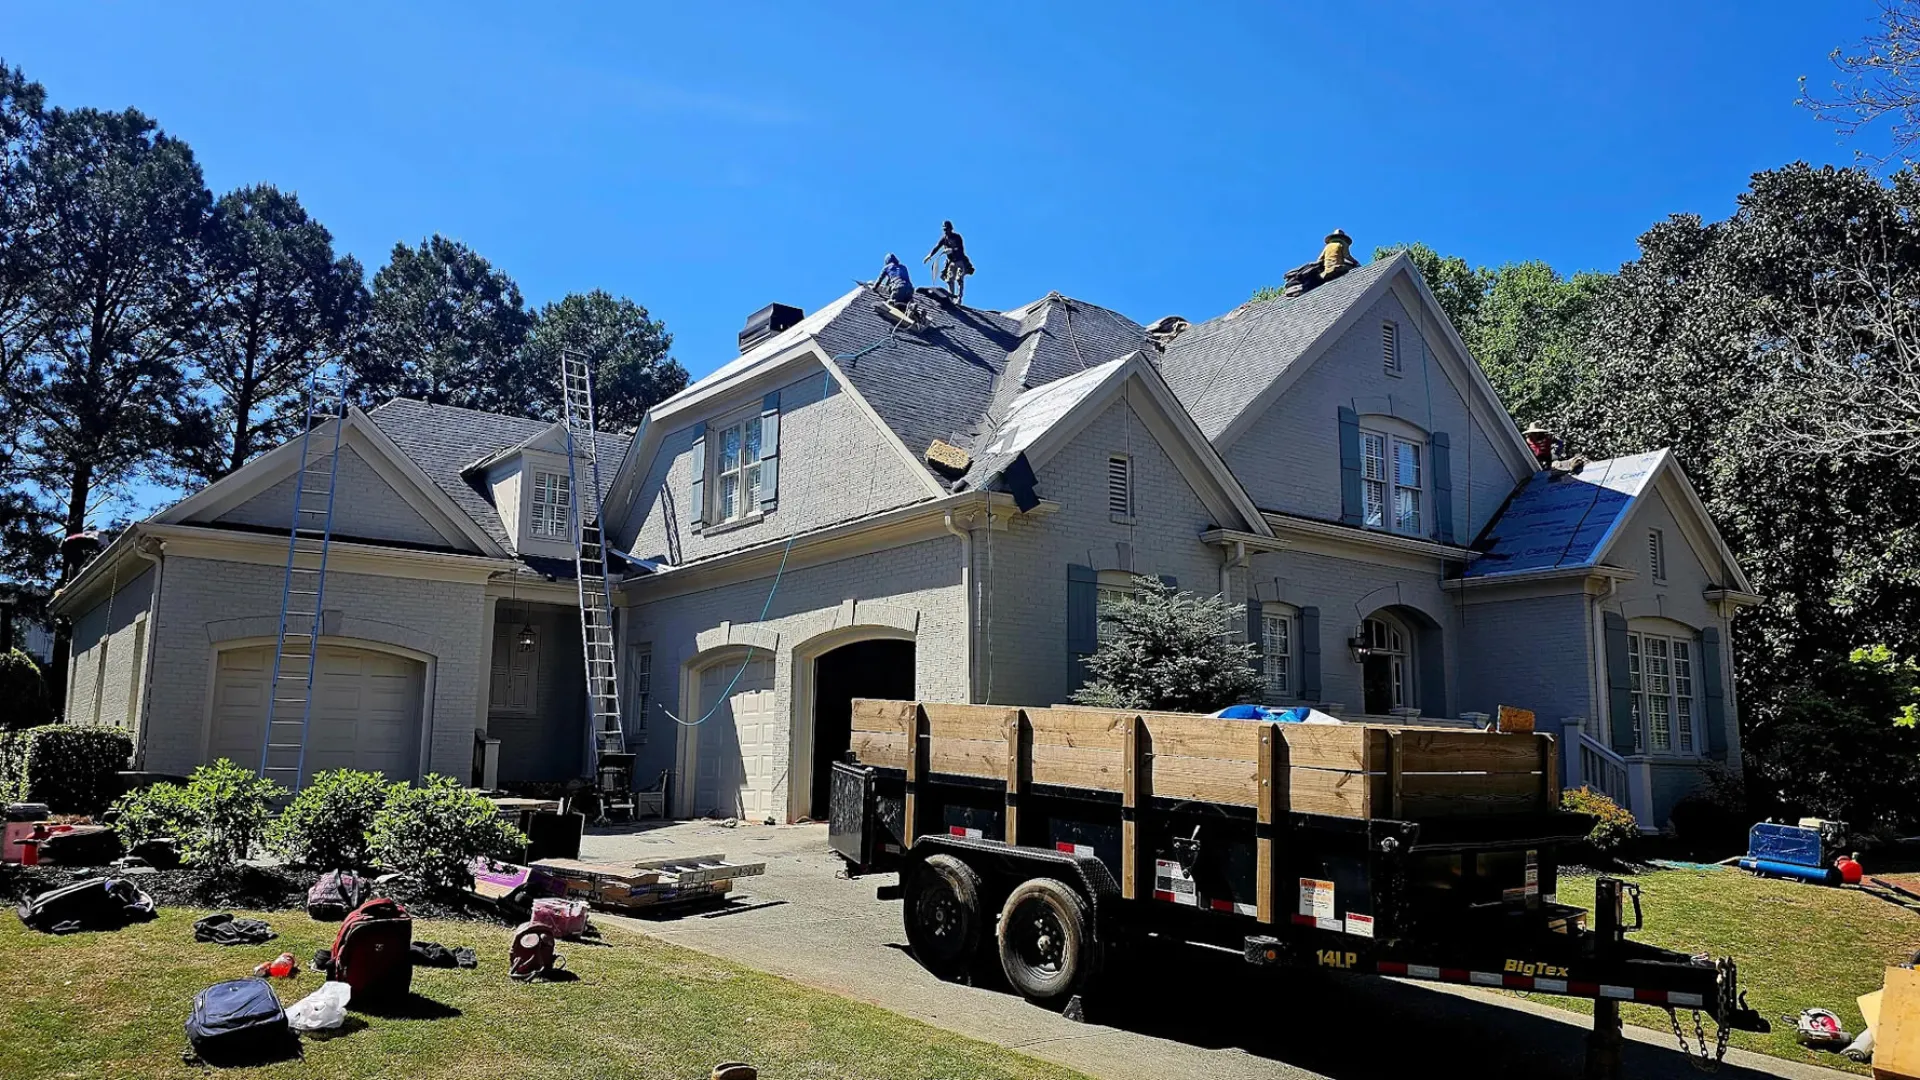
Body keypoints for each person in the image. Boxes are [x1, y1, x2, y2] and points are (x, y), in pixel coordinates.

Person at [1282, 229, 1360, 295]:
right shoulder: (1341, 245)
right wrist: (1355, 262)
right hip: (1337, 269)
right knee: (1351, 267)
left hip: (1326, 271)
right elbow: (1347, 256)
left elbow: (1319, 259)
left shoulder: (1327, 246)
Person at [924, 220, 974, 300]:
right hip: (951, 262)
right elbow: (937, 247)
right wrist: (930, 255)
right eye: (944, 230)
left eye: (947, 229)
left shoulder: (957, 237)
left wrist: (952, 250)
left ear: (951, 229)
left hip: (960, 261)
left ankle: (959, 298)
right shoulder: (944, 239)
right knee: (950, 279)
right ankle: (951, 298)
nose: (946, 231)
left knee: (959, 278)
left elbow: (960, 249)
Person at [1522, 422, 1588, 476]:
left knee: (1557, 469)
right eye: (1533, 433)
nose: (1535, 435)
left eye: (1536, 433)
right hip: (1536, 462)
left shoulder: (1548, 437)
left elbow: (1560, 443)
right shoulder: (1527, 441)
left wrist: (1556, 453)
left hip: (1549, 460)